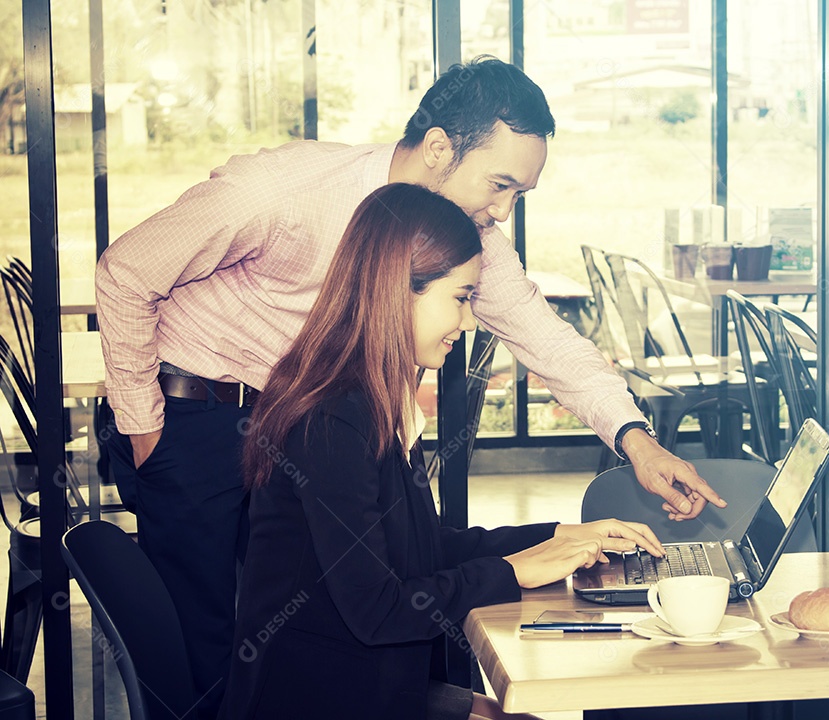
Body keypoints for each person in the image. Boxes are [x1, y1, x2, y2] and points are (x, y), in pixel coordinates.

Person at [96, 56, 724, 718]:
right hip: (199, 414)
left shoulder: (460, 244)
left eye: (521, 197)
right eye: (500, 184)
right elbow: (127, 273)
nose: (502, 212)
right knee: (210, 661)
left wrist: (636, 442)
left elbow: (547, 338)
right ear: (437, 148)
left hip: (309, 415)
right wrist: (148, 438)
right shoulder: (282, 192)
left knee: (313, 622)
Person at [218, 183, 663, 719]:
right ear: (397, 289)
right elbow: (377, 609)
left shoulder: (374, 395)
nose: (469, 322)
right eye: (460, 297)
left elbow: (423, 548)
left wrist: (557, 537)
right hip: (317, 697)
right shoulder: (333, 417)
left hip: (361, 682)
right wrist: (513, 571)